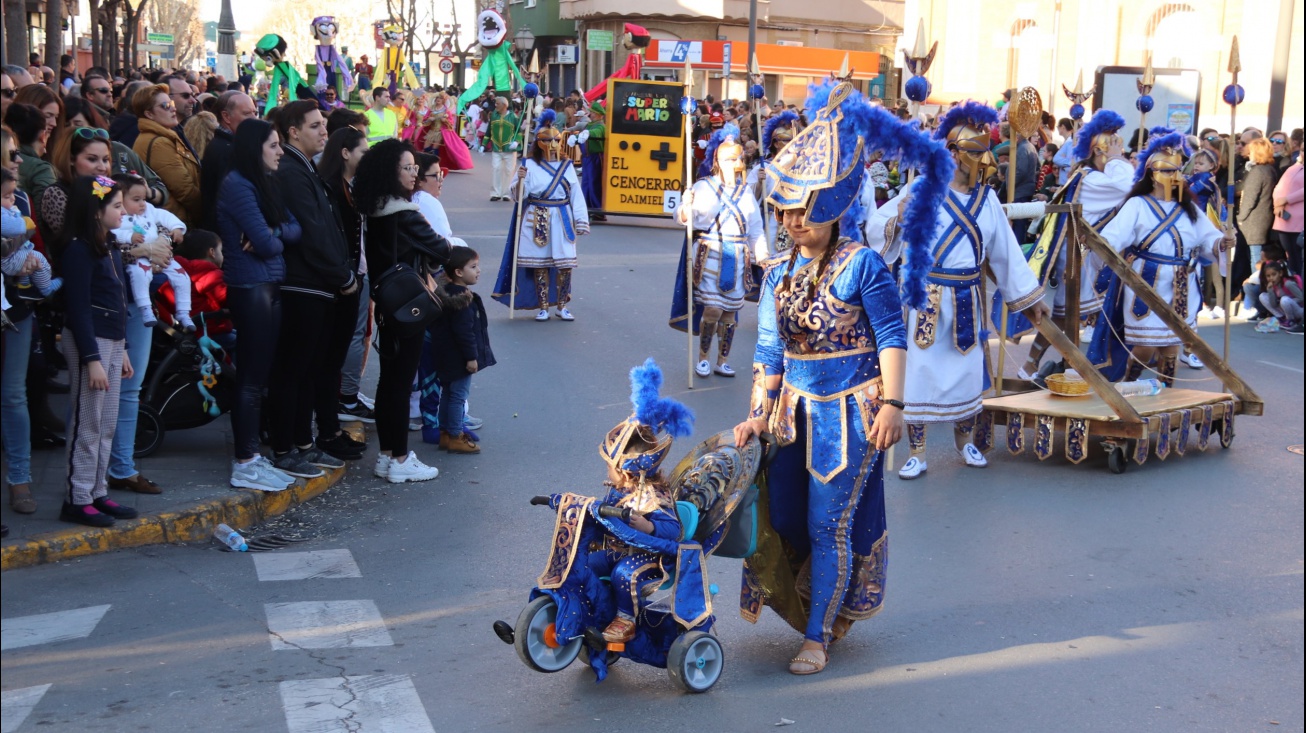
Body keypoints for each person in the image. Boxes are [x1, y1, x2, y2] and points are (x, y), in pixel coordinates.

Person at [734, 78, 951, 675]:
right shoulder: (777, 272)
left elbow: (891, 336)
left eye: (805, 210)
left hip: (851, 414)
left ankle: (818, 635)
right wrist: (756, 413)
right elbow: (770, 352)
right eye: (785, 210)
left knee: (829, 521)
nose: (793, 221)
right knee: (782, 517)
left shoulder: (864, 264)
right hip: (790, 415)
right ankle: (813, 605)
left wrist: (894, 404)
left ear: (832, 206)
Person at [867, 101, 1049, 480]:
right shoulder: (923, 189)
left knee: (965, 371)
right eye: (974, 153)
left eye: (984, 153)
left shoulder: (988, 200)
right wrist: (899, 218)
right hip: (925, 295)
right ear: (953, 154)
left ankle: (965, 441)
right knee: (919, 373)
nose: (983, 161)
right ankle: (916, 452)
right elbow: (880, 225)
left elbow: (1005, 253)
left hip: (968, 295)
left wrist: (1029, 300)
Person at [1089, 130, 1233, 385]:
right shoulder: (1136, 204)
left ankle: (1167, 393)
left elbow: (1207, 237)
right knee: (1145, 345)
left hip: (1181, 285)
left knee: (1171, 347)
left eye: (1176, 170)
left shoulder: (1188, 208)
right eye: (1166, 171)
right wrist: (1096, 243)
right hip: (1146, 282)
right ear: (1152, 174)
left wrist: (1222, 242)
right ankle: (1129, 387)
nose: (1173, 176)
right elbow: (1113, 237)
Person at [268, 101, 364, 469]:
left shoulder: (303, 167)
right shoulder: (293, 171)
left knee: (307, 372)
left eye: (323, 125)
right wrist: (342, 276)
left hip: (318, 283)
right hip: (305, 284)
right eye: (315, 126)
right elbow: (312, 230)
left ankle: (304, 444)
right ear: (294, 131)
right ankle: (287, 448)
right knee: (293, 372)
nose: (324, 131)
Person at [354, 138, 451, 483]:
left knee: (389, 381)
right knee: (399, 382)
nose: (414, 174)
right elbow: (441, 248)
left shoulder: (374, 206)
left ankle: (386, 456)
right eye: (408, 168)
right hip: (409, 303)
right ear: (391, 171)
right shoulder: (404, 213)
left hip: (387, 300)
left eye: (415, 168)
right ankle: (398, 458)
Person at [217, 118, 304, 491]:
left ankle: (253, 456)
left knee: (261, 375)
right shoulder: (237, 185)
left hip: (268, 282)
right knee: (251, 378)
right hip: (250, 284)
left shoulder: (262, 182)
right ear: (255, 148)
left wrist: (273, 232)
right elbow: (268, 244)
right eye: (273, 145)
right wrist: (273, 235)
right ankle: (245, 461)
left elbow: (294, 228)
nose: (280, 151)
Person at [1015, 109, 1133, 379]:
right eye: (1113, 149)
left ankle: (1067, 365)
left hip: (1090, 256)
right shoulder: (1092, 180)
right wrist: (1116, 160)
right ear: (1100, 153)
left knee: (1074, 316)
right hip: (1079, 258)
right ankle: (1038, 365)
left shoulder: (1093, 177)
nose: (1120, 154)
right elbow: (1127, 184)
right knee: (1065, 315)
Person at [58, 175, 140, 527]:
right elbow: (78, 308)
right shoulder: (79, 249)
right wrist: (93, 359)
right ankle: (77, 498)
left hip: (110, 342)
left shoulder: (107, 246)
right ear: (96, 211)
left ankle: (97, 491)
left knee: (106, 422)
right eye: (117, 206)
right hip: (90, 344)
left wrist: (121, 349)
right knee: (87, 422)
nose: (124, 212)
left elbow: (117, 301)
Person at [670, 123, 765, 378]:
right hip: (710, 252)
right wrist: (685, 206)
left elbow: (755, 228)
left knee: (730, 314)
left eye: (740, 158)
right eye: (731, 159)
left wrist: (762, 254)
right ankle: (703, 358)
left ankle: (722, 360)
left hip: (738, 255)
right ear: (719, 161)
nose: (737, 163)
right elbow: (686, 220)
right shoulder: (704, 187)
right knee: (712, 309)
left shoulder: (746, 192)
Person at [491, 110, 590, 321]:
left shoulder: (567, 166)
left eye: (556, 140)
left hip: (562, 217)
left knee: (564, 265)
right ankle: (543, 306)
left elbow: (576, 195)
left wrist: (581, 220)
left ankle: (562, 305)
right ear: (539, 142)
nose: (553, 144)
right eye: (548, 140)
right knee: (540, 264)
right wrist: (519, 180)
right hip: (537, 217)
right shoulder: (529, 165)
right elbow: (519, 195)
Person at [318, 127, 375, 422]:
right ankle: (347, 398)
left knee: (351, 335)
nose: (366, 157)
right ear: (345, 153)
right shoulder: (332, 187)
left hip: (356, 271)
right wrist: (349, 276)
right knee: (350, 336)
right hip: (347, 275)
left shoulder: (350, 184)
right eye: (363, 152)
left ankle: (346, 394)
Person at [429, 247, 494, 454]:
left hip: (444, 355)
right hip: (458, 358)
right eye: (473, 267)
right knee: (458, 396)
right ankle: (456, 435)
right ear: (458, 272)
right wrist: (471, 358)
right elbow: (465, 333)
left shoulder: (445, 294)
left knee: (447, 394)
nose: (479, 271)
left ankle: (446, 434)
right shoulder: (463, 301)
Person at [109, 174, 193, 330]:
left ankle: (184, 312)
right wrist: (130, 236)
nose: (142, 204)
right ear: (120, 200)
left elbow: (164, 216)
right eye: (136, 200)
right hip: (137, 257)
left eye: (143, 198)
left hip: (159, 252)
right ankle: (145, 308)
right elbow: (113, 234)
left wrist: (177, 228)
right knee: (140, 275)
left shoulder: (148, 210)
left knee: (182, 275)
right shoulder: (119, 218)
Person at [132, 84, 202, 225]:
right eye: (165, 105)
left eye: (172, 103)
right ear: (149, 114)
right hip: (174, 223)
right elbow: (184, 190)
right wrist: (205, 214)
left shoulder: (164, 136)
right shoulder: (159, 143)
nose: (173, 108)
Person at [2, 169, 60, 297]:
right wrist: (25, 222)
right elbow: (15, 227)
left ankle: (24, 285)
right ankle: (46, 288)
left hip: (12, 256)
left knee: (29, 256)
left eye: (12, 194)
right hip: (8, 260)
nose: (12, 199)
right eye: (7, 196)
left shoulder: (7, 209)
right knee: (38, 258)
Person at [1238, 138, 1278, 275]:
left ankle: (1256, 288)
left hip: (1254, 221)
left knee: (1255, 260)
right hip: (1263, 218)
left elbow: (1250, 198)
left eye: (1251, 151)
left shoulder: (1257, 172)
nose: (1249, 154)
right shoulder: (1269, 169)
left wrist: (1240, 217)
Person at [1272, 154, 1303, 276]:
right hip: (1284, 220)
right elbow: (1278, 187)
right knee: (1290, 257)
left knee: (1299, 257)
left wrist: (1287, 199)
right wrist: (1278, 204)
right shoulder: (1293, 167)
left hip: (1299, 221)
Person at [486, 96, 519, 202]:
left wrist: (516, 142)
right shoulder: (494, 116)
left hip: (509, 149)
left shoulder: (513, 117)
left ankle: (507, 193)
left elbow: (519, 131)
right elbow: (488, 130)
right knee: (496, 169)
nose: (495, 105)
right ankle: (496, 193)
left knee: (509, 171)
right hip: (496, 148)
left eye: (497, 104)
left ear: (504, 105)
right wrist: (483, 144)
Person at [1255, 259, 1303, 332]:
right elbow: (1273, 305)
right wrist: (1270, 291)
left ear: (1280, 273)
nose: (1271, 278)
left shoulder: (1288, 283)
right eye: (1268, 276)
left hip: (1299, 309)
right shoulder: (1274, 285)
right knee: (1262, 296)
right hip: (1286, 308)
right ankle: (1281, 318)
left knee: (1284, 300)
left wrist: (1287, 301)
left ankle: (1291, 321)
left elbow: (1301, 298)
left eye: (1274, 274)